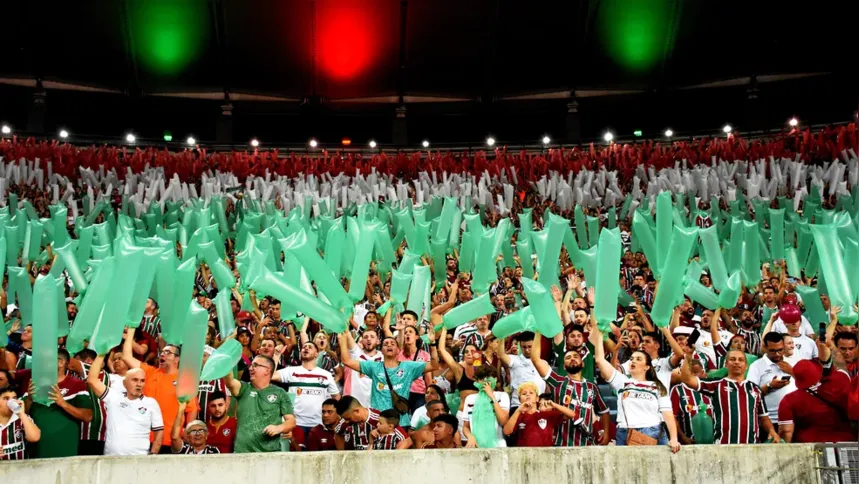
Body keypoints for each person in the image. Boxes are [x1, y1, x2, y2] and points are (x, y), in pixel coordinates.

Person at [590, 325, 679, 452]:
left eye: (638, 359)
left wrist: (674, 438)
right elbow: (600, 360)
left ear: (647, 367)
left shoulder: (657, 387)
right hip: (625, 433)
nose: (633, 361)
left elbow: (667, 413)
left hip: (653, 431)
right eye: (632, 359)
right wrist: (599, 333)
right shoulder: (622, 382)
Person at [339, 329, 438, 429]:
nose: (389, 345)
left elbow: (434, 365)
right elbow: (346, 361)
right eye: (385, 344)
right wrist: (343, 338)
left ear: (398, 350)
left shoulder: (409, 367)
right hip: (379, 422)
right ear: (381, 350)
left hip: (401, 423)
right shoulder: (373, 367)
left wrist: (433, 344)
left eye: (392, 343)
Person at [121, 328, 198, 453]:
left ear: (177, 359)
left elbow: (192, 410)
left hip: (170, 440)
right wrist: (131, 330)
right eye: (161, 352)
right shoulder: (149, 372)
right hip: (143, 438)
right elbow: (126, 357)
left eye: (168, 352)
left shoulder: (185, 380)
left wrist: (187, 434)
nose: (162, 354)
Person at [680, 350, 780, 444]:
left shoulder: (755, 389)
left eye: (741, 360)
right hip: (723, 445)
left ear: (746, 366)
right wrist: (688, 355)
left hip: (751, 446)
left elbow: (763, 417)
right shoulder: (717, 384)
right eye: (732, 359)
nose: (737, 362)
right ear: (726, 364)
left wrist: (772, 431)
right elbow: (687, 379)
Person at [531, 330, 610, 446]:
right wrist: (538, 332)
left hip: (587, 444)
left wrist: (607, 433)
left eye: (576, 356)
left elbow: (604, 411)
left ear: (582, 364)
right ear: (564, 366)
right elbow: (535, 360)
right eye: (568, 358)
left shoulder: (591, 387)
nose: (572, 358)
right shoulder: (558, 381)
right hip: (562, 444)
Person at [86, 354, 163, 456]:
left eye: (142, 381)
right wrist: (101, 354)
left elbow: (159, 433)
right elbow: (92, 380)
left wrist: (153, 455)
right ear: (124, 383)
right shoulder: (113, 397)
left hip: (140, 460)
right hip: (111, 459)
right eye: (135, 380)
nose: (139, 384)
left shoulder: (151, 403)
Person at [23, 348, 93, 458]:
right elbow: (22, 414)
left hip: (65, 450)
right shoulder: (34, 383)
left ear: (61, 363)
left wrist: (63, 403)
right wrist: (30, 399)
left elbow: (88, 416)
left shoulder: (76, 385)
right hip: (36, 451)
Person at [223, 354, 296, 453]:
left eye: (255, 365)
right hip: (242, 453)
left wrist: (279, 428)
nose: (250, 368)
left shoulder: (280, 393)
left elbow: (291, 421)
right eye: (251, 365)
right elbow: (230, 382)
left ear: (267, 370)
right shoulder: (243, 389)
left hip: (270, 454)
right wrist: (226, 360)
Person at [778, 359, 855, 443]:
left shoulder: (789, 400)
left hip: (811, 446)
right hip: (845, 443)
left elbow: (786, 431)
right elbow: (840, 367)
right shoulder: (841, 380)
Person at [273, 341, 340, 435]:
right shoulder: (291, 371)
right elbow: (270, 376)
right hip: (295, 424)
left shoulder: (326, 375)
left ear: (317, 353)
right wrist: (276, 356)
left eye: (310, 347)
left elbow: (336, 398)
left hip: (319, 424)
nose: (306, 348)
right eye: (304, 347)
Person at [502, 385, 578, 447]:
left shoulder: (546, 414)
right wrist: (518, 410)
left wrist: (554, 405)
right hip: (524, 456)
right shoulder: (517, 415)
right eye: (524, 394)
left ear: (537, 398)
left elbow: (572, 414)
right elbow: (506, 431)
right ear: (519, 400)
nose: (528, 395)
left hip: (546, 456)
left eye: (531, 393)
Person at [746, 332, 795, 427]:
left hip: (792, 418)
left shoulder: (791, 363)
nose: (777, 354)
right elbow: (750, 395)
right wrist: (770, 386)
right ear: (765, 347)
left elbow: (806, 387)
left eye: (780, 350)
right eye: (773, 351)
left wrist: (792, 372)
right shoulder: (756, 366)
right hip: (769, 420)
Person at [494, 332, 545, 412]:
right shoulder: (514, 360)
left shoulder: (543, 363)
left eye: (530, 346)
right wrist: (502, 336)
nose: (527, 350)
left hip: (538, 406)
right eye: (524, 347)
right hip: (518, 406)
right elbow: (501, 355)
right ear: (520, 346)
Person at [461, 365, 510, 448]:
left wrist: (492, 396)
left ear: (495, 379)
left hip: (498, 446)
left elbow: (503, 421)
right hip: (476, 446)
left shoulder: (502, 396)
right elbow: (466, 426)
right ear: (476, 381)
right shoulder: (470, 399)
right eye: (482, 379)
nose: (485, 381)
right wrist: (470, 437)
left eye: (489, 378)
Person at [670, 359, 712, 445]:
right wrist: (683, 437)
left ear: (703, 372)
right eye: (689, 372)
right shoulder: (677, 390)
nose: (692, 375)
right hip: (688, 441)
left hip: (712, 442)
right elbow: (672, 417)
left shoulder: (711, 389)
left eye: (696, 372)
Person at [340, 326, 383, 407]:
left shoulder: (384, 357)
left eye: (372, 337)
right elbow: (347, 333)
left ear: (378, 341)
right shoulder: (356, 354)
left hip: (377, 404)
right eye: (365, 337)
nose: (369, 339)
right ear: (362, 341)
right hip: (357, 404)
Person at [0, 385, 40, 460]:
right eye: (6, 398)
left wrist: (21, 414)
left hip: (21, 468)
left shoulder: (23, 419)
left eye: (14, 398)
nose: (11, 401)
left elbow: (34, 437)